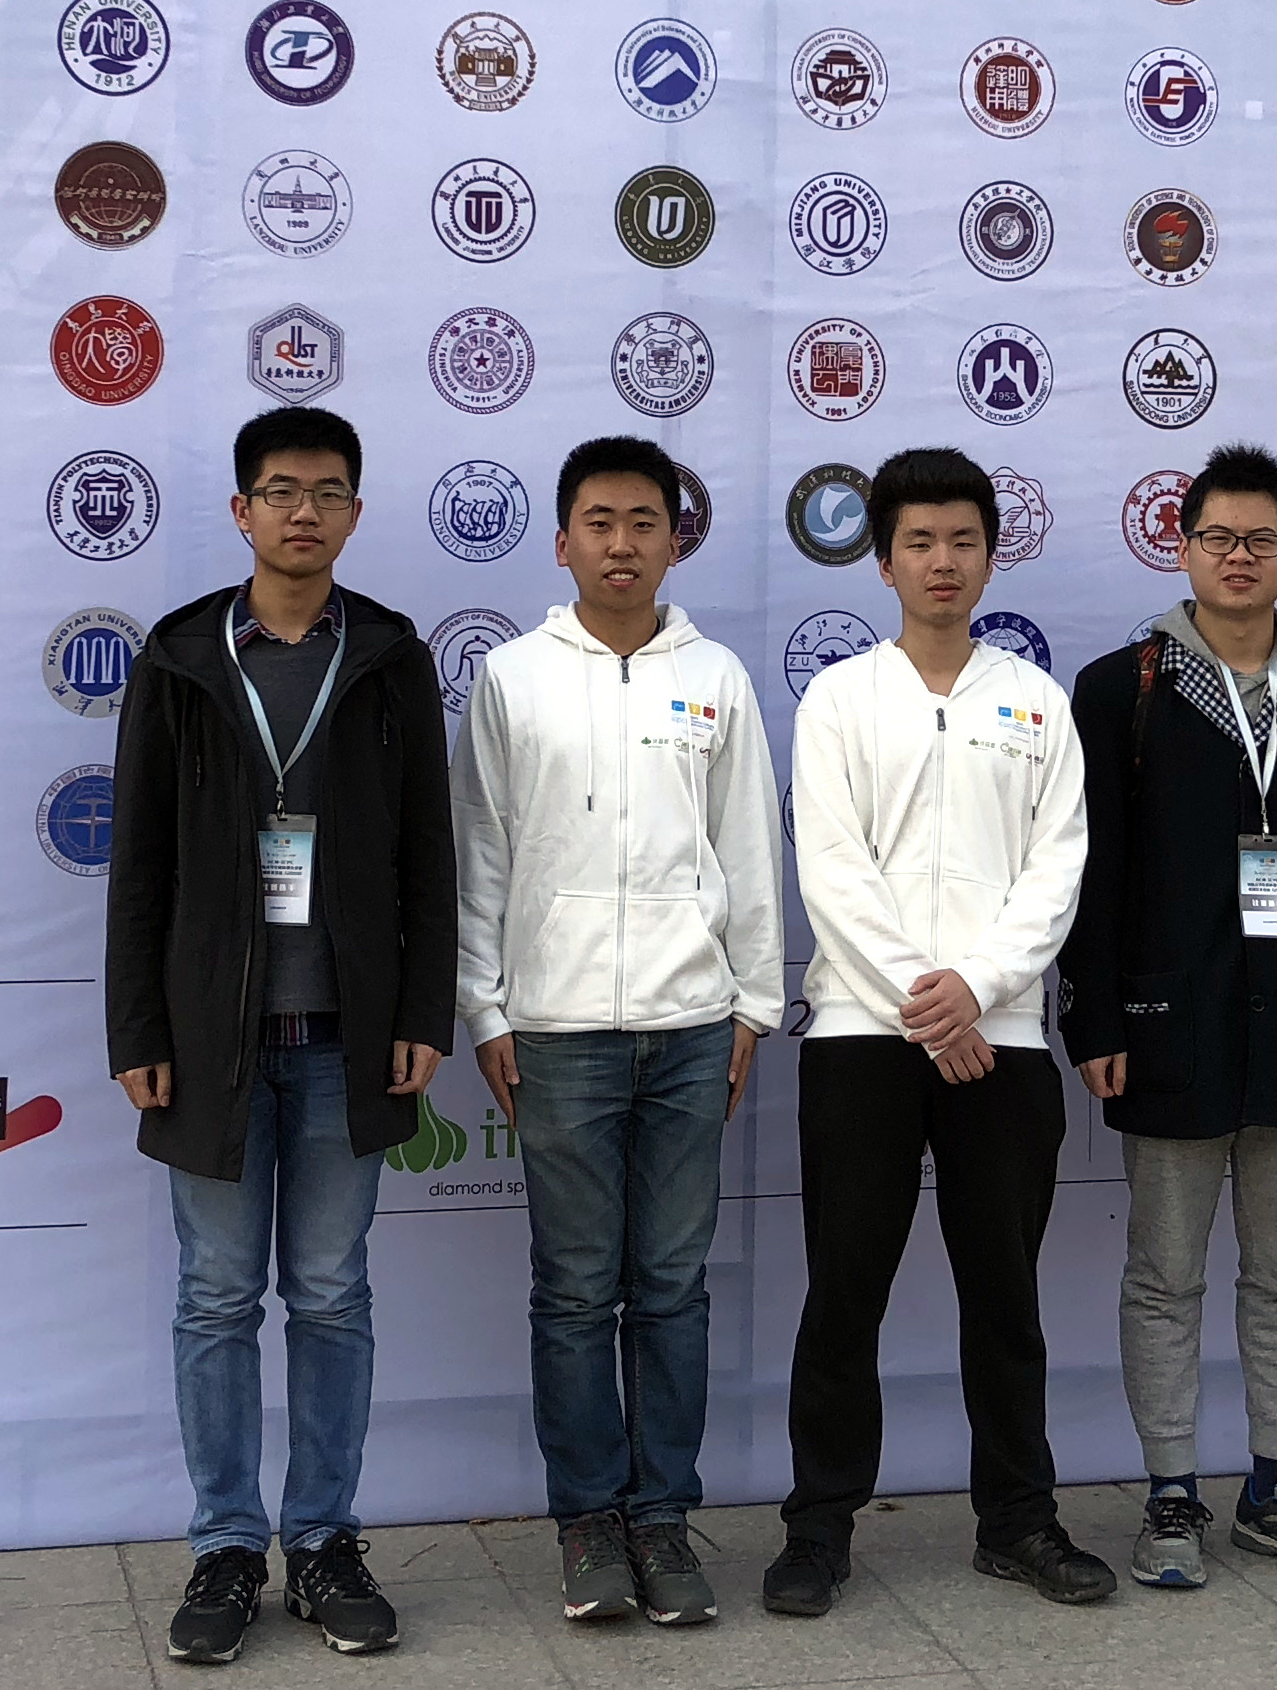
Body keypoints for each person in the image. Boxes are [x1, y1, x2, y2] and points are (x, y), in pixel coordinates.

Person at [107, 406, 455, 1664]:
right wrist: (136, 1025)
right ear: (242, 509)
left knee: (330, 1292)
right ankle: (223, 1546)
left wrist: (422, 1011)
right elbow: (139, 858)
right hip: (211, 1037)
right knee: (214, 1297)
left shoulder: (392, 654)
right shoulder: (181, 655)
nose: (304, 510)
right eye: (281, 489)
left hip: (344, 1034)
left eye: (328, 491)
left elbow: (428, 851)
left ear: (355, 509)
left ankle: (322, 1540)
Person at [764, 446, 1112, 1616]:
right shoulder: (839, 697)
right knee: (843, 1293)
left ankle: (1019, 1519)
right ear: (884, 560)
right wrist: (926, 998)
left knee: (1006, 1299)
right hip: (862, 1034)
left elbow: (1057, 870)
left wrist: (981, 989)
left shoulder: (1035, 701)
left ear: (991, 555)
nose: (942, 560)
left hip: (1002, 1042)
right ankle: (818, 1525)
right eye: (919, 541)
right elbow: (832, 867)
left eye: (963, 539)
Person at [1061, 443, 1277, 1589]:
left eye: (1263, 538)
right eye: (1219, 536)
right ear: (1182, 546)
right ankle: (1171, 1490)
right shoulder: (1123, 690)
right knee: (1164, 1273)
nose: (1240, 555)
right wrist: (1096, 1019)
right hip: (1173, 1023)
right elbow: (1094, 871)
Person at [452, 437, 783, 1628]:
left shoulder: (718, 676)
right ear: (562, 540)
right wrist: (486, 1006)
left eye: (645, 521)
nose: (622, 542)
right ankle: (589, 1519)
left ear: (674, 540)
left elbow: (748, 845)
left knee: (674, 1286)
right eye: (600, 521)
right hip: (558, 1029)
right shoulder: (512, 678)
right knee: (577, 1289)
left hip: (693, 1027)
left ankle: (663, 1516)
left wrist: (754, 1002)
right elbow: (482, 849)